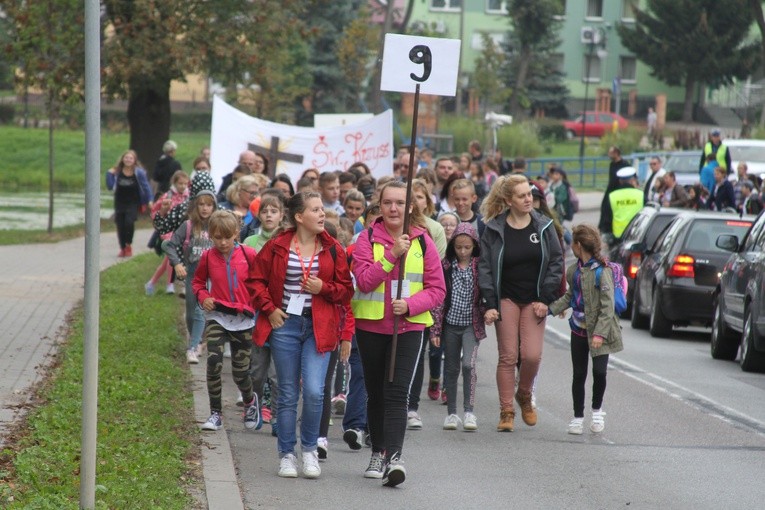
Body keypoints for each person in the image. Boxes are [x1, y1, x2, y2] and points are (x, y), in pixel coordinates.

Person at [250, 191, 353, 480]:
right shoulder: (277, 245)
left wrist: (324, 289)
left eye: (322, 209)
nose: (322, 214)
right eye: (316, 210)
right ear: (299, 217)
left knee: (314, 391)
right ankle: (286, 454)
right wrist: (270, 309)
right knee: (287, 392)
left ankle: (309, 449)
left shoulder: (333, 248)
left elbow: (346, 291)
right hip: (286, 325)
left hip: (319, 327)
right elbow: (255, 280)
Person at [351, 181, 446, 487]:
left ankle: (395, 457)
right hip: (372, 327)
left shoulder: (423, 242)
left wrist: (410, 304)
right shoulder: (366, 238)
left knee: (397, 392)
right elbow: (364, 281)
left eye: (399, 203)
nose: (393, 208)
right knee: (376, 392)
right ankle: (377, 450)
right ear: (379, 207)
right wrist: (391, 254)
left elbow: (437, 289)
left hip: (408, 327)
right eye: (387, 203)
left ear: (410, 208)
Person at [477, 175, 564, 432]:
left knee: (532, 356)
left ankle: (524, 394)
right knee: (508, 356)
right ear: (508, 200)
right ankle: (506, 411)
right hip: (506, 298)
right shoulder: (494, 229)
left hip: (535, 301)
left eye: (530, 194)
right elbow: (485, 269)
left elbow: (556, 263)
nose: (528, 199)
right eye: (522, 195)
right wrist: (489, 303)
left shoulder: (544, 226)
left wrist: (545, 299)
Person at [541, 224, 623, 435]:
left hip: (600, 332)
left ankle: (597, 411)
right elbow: (570, 297)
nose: (571, 248)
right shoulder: (573, 271)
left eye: (572, 244)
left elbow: (608, 306)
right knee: (579, 374)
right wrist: (549, 309)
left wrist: (599, 334)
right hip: (578, 329)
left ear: (578, 245)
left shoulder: (602, 272)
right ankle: (577, 417)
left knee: (600, 372)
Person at [192, 210, 260, 432]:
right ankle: (215, 413)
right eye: (217, 237)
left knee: (241, 373)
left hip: (243, 320)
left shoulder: (249, 255)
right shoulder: (208, 257)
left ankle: (250, 402)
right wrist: (204, 297)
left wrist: (257, 306)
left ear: (236, 234)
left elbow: (261, 283)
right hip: (218, 317)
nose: (222, 242)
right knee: (214, 362)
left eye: (227, 237)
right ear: (210, 235)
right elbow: (198, 283)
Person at [430, 223, 485, 431]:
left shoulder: (480, 267)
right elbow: (439, 300)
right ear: (453, 245)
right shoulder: (446, 267)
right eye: (458, 247)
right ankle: (452, 413)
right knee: (451, 369)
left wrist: (489, 308)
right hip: (450, 325)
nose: (462, 251)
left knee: (469, 366)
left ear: (474, 246)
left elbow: (488, 291)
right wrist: (435, 329)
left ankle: (469, 412)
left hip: (472, 325)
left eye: (467, 247)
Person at [164, 190, 217, 363]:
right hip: (193, 273)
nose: (205, 208)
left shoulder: (218, 225)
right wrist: (177, 263)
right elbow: (169, 245)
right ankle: (199, 340)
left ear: (214, 207)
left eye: (209, 205)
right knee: (190, 312)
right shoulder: (188, 226)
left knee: (200, 311)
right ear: (195, 206)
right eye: (201, 204)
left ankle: (192, 348)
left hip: (211, 275)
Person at [146, 170, 190, 296]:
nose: (182, 186)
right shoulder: (168, 196)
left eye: (185, 184)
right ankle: (169, 284)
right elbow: (155, 211)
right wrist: (161, 216)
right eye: (180, 183)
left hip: (183, 231)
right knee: (172, 256)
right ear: (174, 183)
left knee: (169, 260)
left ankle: (152, 283)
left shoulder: (189, 197)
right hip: (169, 230)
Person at [105, 149, 153, 257]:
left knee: (129, 222)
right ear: (122, 159)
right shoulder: (117, 171)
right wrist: (109, 174)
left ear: (134, 160)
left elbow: (146, 186)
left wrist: (150, 199)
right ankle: (122, 248)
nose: (128, 160)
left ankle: (128, 245)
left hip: (133, 202)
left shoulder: (139, 172)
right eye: (126, 157)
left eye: (130, 158)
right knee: (120, 225)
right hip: (119, 202)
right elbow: (109, 186)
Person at [600, 167, 644, 246]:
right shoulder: (641, 195)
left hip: (617, 237)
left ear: (620, 181)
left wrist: (606, 233)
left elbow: (606, 217)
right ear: (633, 180)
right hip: (637, 234)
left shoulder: (612, 196)